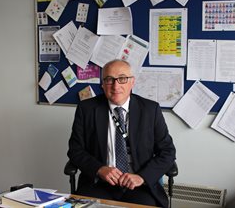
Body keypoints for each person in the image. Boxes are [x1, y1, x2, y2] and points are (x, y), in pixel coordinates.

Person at [67, 59, 176, 208]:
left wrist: (142, 177)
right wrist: (99, 169)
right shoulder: (87, 109)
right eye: (109, 79)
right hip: (99, 183)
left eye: (122, 79)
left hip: (139, 185)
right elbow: (75, 150)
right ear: (103, 84)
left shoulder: (150, 110)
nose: (116, 85)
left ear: (132, 82)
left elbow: (168, 152)